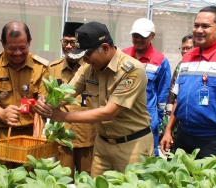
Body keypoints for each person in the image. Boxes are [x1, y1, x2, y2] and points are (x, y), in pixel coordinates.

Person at [35, 21, 153, 177]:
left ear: (104, 48)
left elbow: (109, 112)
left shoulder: (132, 70)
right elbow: (67, 92)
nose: (86, 60)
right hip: (102, 145)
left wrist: (63, 116)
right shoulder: (88, 68)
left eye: (88, 55)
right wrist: (47, 101)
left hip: (131, 146)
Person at [160, 6, 216, 160]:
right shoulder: (188, 56)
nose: (199, 30)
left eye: (206, 26)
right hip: (183, 135)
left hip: (212, 139)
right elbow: (179, 99)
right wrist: (169, 130)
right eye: (196, 25)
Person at [0, 21, 49, 168]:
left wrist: (37, 134)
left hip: (30, 134)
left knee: (29, 177)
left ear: (29, 42)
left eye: (22, 48)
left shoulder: (41, 67)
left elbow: (42, 103)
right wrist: (2, 113)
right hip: (0, 134)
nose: (17, 53)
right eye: (12, 48)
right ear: (3, 44)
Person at [48, 22, 96, 178]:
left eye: (72, 42)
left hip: (88, 137)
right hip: (62, 137)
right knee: (62, 179)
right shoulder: (52, 68)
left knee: (87, 180)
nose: (68, 46)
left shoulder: (92, 69)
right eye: (65, 42)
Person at [122, 18, 171, 156]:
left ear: (152, 36)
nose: (138, 39)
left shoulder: (160, 61)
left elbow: (163, 94)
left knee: (147, 156)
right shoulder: (122, 55)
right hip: (122, 114)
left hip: (147, 118)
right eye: (135, 35)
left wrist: (158, 120)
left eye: (142, 36)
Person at [160, 33, 195, 153]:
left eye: (188, 48)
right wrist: (166, 127)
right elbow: (172, 98)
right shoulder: (181, 66)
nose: (185, 51)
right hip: (175, 123)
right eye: (183, 48)